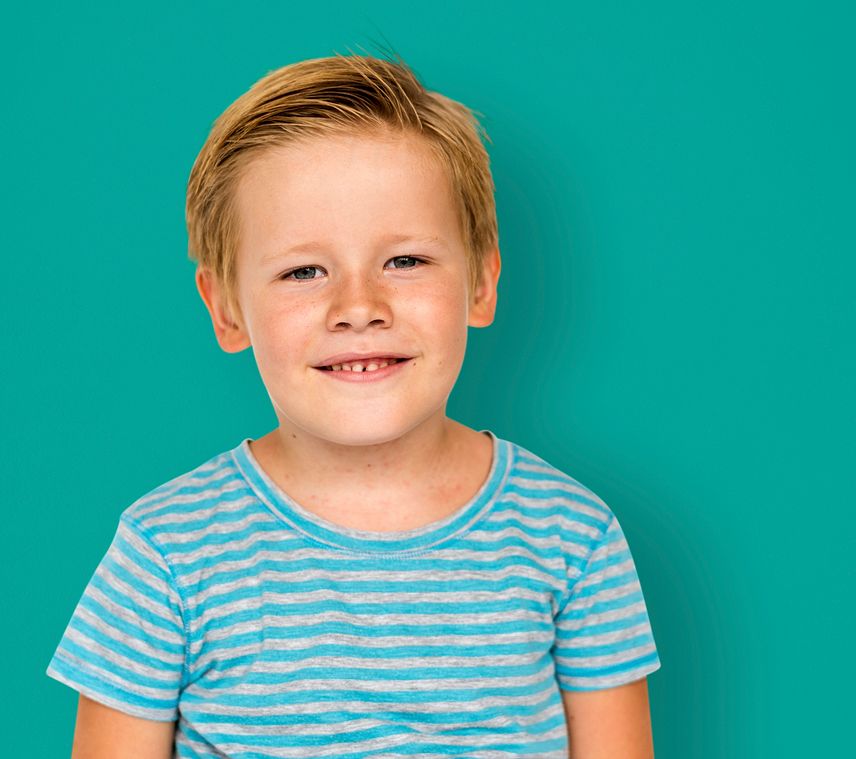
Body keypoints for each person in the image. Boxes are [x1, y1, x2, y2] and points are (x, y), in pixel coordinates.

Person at [46, 51, 662, 758]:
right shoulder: (165, 553)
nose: (359, 307)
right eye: (304, 271)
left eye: (405, 260)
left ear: (483, 284)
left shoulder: (574, 540)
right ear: (226, 310)